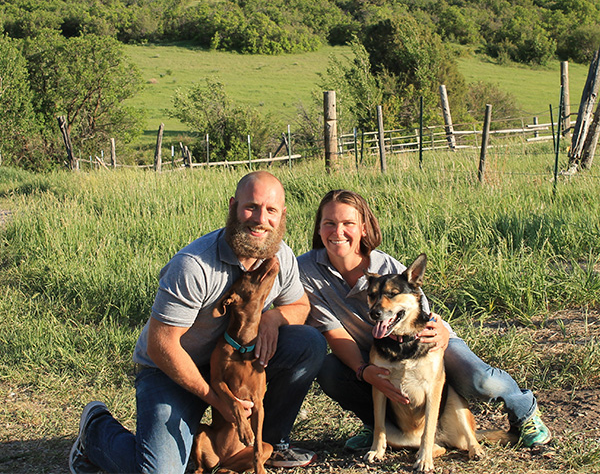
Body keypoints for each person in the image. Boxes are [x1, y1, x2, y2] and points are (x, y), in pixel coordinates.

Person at [70, 171, 326, 474]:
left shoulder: (278, 255)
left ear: (282, 215)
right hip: (171, 369)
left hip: (235, 363)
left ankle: (264, 445)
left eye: (271, 210)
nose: (260, 219)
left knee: (307, 343)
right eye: (251, 207)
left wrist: (273, 318)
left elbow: (299, 305)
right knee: (160, 472)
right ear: (233, 206)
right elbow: (160, 344)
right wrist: (216, 399)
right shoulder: (194, 265)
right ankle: (96, 430)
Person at [298, 189, 551, 454]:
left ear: (363, 228)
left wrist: (440, 335)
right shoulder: (307, 271)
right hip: (375, 348)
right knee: (331, 371)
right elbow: (332, 331)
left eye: (348, 223)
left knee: (481, 381)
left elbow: (422, 315)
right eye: (329, 223)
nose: (338, 231)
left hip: (427, 339)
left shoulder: (386, 267)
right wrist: (364, 371)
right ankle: (378, 427)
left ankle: (525, 413)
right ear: (318, 228)